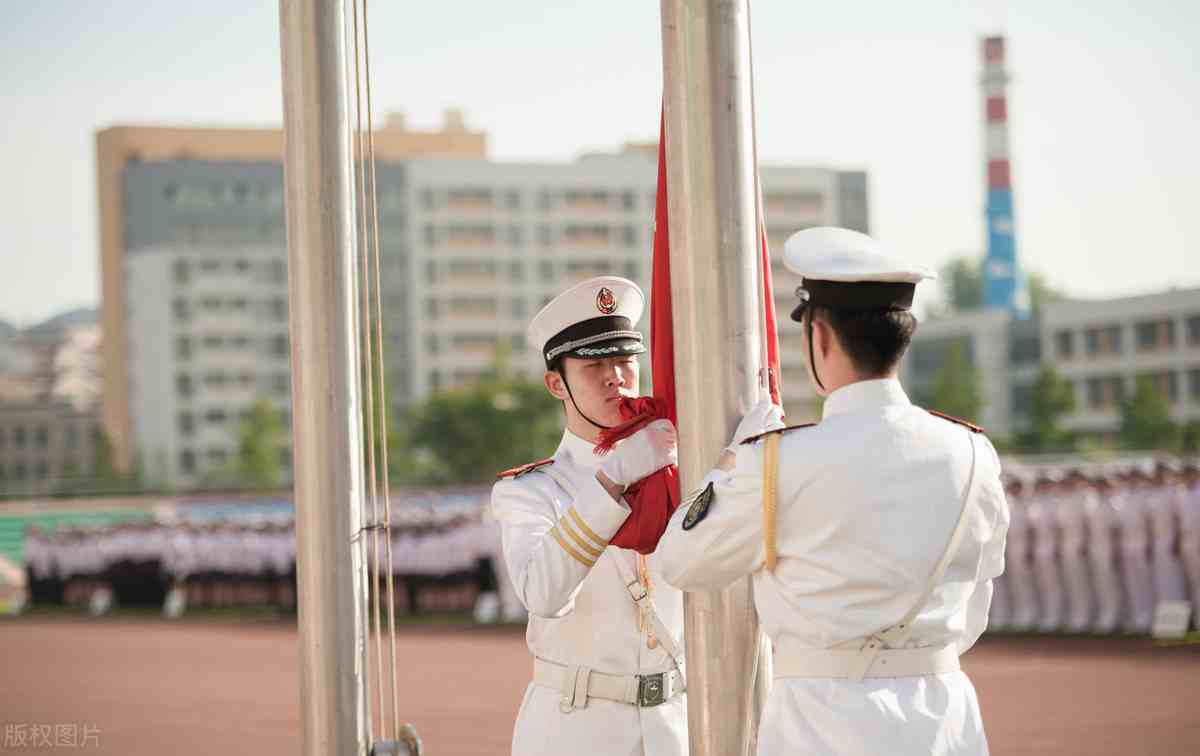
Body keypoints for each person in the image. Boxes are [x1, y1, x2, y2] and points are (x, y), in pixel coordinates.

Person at [657, 227, 1009, 756]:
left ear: (819, 335)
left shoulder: (774, 461)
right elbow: (976, 603)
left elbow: (680, 562)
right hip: (942, 719)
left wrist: (731, 464)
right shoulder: (973, 452)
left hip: (824, 721)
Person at [490, 276, 688, 756]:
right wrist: (613, 479)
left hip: (676, 725)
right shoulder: (531, 492)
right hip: (577, 726)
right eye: (595, 364)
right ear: (557, 384)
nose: (615, 377)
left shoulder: (681, 472)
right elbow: (544, 594)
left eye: (625, 360)